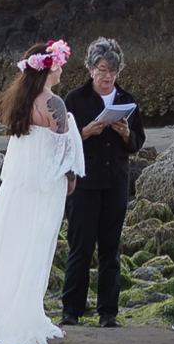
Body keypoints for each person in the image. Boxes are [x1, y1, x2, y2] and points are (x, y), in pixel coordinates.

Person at [0, 38, 85, 344]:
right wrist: (70, 177)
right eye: (59, 64)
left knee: (8, 247)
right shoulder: (53, 103)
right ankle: (23, 315)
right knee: (35, 248)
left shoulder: (22, 101)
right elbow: (63, 149)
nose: (62, 69)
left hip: (18, 188)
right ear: (50, 67)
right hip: (44, 189)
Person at [62, 37, 145, 326]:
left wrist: (125, 134)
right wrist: (85, 132)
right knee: (80, 246)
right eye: (102, 69)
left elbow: (137, 143)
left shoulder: (127, 100)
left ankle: (108, 312)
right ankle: (71, 310)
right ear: (90, 69)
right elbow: (61, 142)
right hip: (84, 182)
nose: (107, 76)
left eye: (113, 70)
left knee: (110, 248)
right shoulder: (74, 99)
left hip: (115, 182)